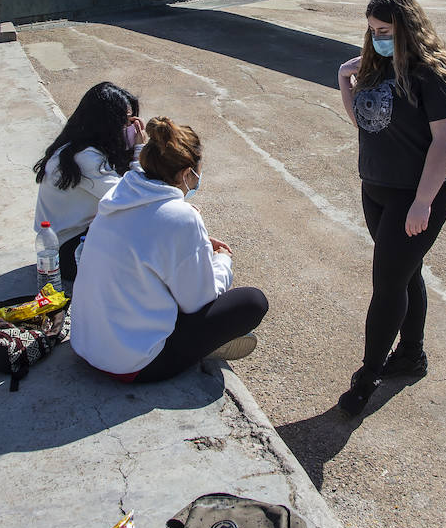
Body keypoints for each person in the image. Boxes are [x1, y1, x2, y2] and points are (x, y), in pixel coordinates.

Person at [335, 0, 446, 417]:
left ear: (407, 28)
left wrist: (423, 203)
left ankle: (368, 375)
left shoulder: (433, 73)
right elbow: (365, 123)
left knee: (387, 284)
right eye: (372, 30)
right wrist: (344, 82)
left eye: (385, 30)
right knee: (406, 274)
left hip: (416, 195)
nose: (376, 38)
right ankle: (411, 355)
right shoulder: (374, 66)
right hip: (376, 188)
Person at [70, 116, 269, 383]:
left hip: (85, 343)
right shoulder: (181, 217)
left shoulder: (121, 192)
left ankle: (201, 344)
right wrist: (222, 261)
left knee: (166, 279)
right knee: (252, 302)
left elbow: (144, 240)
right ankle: (205, 347)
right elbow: (199, 300)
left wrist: (196, 245)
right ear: (187, 173)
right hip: (132, 364)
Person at [32, 82, 145, 293]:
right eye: (126, 123)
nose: (131, 129)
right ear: (106, 124)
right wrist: (139, 151)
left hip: (70, 240)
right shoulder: (84, 158)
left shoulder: (79, 147)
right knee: (141, 227)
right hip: (67, 254)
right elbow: (133, 196)